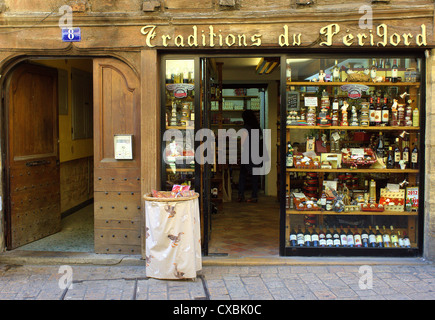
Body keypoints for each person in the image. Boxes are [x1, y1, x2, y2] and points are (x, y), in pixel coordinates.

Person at [238, 110, 262, 203]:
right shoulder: (257, 128)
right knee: (255, 176)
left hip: (247, 153)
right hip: (256, 154)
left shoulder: (245, 128)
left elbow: (242, 143)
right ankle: (254, 196)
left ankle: (240, 195)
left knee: (243, 175)